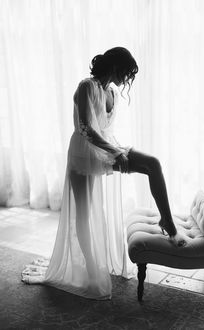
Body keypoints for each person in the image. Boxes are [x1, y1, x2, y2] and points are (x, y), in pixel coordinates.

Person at [22, 46, 185, 300]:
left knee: (153, 164)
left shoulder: (112, 92)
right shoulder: (86, 86)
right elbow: (86, 128)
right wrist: (115, 153)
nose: (127, 79)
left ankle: (168, 223)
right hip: (82, 155)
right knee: (84, 213)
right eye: (127, 73)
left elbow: (104, 129)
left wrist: (117, 151)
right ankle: (90, 269)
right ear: (116, 66)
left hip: (107, 148)